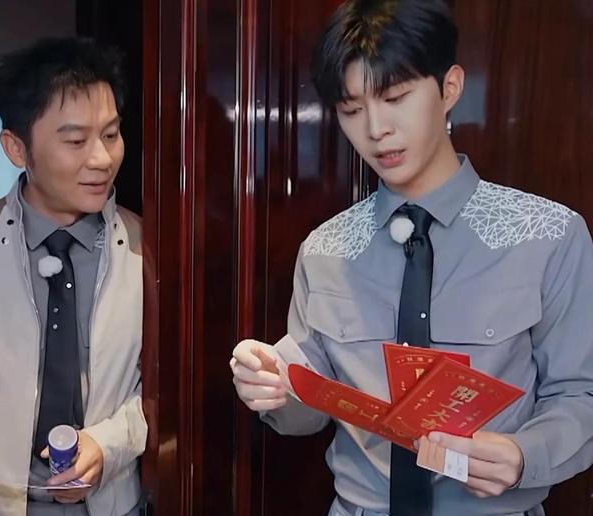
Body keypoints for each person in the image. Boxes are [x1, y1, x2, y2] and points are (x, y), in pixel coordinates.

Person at [230, 1, 593, 515]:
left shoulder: (549, 236)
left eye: (395, 97)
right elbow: (307, 409)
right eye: (351, 110)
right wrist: (271, 387)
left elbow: (581, 394)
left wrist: (525, 455)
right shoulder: (325, 249)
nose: (376, 129)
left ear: (450, 88)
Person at [0, 37, 147, 515]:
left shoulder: (151, 250)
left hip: (112, 504)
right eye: (76, 141)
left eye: (111, 135)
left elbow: (169, 389)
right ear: (17, 148)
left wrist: (110, 444)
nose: (101, 159)